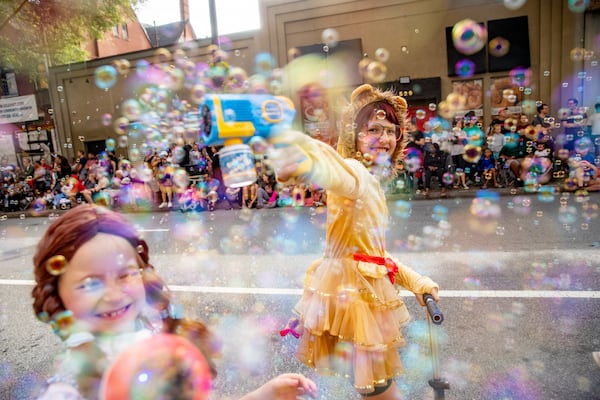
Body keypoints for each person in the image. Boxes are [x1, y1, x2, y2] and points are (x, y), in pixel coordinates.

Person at [31, 204, 317, 400]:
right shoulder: (67, 388)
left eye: (126, 274)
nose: (114, 294)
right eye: (91, 283)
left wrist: (262, 395)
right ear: (57, 293)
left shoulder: (153, 338)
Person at [268, 84, 440, 398]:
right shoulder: (356, 172)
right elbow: (334, 170)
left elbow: (375, 254)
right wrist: (305, 160)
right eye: (372, 129)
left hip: (358, 295)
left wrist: (416, 281)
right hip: (356, 303)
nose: (384, 138)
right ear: (354, 136)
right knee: (381, 391)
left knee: (377, 389)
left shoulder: (372, 180)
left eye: (390, 131)